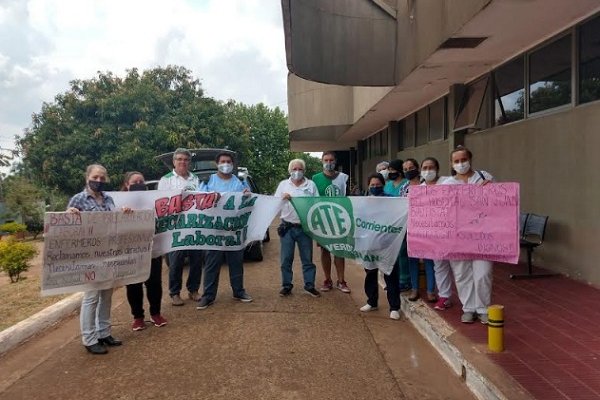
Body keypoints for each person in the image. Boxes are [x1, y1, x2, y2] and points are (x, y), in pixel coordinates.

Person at [66, 164, 122, 355]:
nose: (99, 181)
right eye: (95, 177)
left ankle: (104, 332)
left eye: (102, 178)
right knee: (91, 297)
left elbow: (116, 221)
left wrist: (126, 214)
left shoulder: (108, 199)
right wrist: (70, 216)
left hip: (108, 254)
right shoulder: (78, 199)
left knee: (107, 294)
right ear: (87, 177)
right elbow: (65, 229)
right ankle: (89, 339)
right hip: (88, 256)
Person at [442, 146, 494, 324]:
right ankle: (469, 308)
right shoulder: (448, 184)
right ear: (451, 163)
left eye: (463, 160)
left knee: (483, 273)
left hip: (483, 235)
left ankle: (483, 308)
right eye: (456, 161)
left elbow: (498, 202)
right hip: (458, 237)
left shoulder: (484, 177)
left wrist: (492, 189)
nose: (460, 164)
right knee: (462, 273)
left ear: (470, 159)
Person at [196, 151, 253, 309]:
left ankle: (239, 291)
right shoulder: (208, 181)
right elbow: (199, 202)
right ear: (217, 163)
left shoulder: (240, 182)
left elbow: (249, 202)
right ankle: (208, 296)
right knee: (211, 264)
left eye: (228, 161)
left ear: (232, 164)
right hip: (213, 230)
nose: (226, 164)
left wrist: (248, 195)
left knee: (236, 262)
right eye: (223, 161)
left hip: (234, 230)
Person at [121, 171, 167, 331]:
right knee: (133, 284)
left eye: (141, 181)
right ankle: (138, 317)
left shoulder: (153, 200)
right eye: (135, 182)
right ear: (127, 185)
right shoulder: (118, 202)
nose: (139, 183)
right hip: (129, 252)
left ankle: (156, 313)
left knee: (154, 283)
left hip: (152, 249)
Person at [157, 148, 203, 306]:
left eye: (186, 159)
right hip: (175, 227)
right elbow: (161, 203)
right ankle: (175, 293)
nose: (183, 162)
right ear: (174, 161)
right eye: (179, 159)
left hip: (193, 224)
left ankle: (193, 290)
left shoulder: (195, 178)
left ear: (189, 162)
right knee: (176, 261)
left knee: (197, 259)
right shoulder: (166, 180)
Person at [274, 159, 320, 297]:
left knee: (307, 259)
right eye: (294, 169)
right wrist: (283, 198)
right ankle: (286, 285)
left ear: (304, 170)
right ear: (290, 170)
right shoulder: (283, 185)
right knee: (286, 259)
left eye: (300, 169)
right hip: (287, 227)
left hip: (304, 228)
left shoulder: (310, 185)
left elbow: (317, 203)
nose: (297, 172)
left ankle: (309, 285)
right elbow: (275, 204)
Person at [359, 173, 401, 320]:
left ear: (383, 184)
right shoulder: (364, 202)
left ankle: (394, 307)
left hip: (388, 244)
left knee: (390, 274)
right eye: (372, 185)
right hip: (369, 243)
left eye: (378, 185)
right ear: (368, 186)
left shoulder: (392, 201)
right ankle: (372, 301)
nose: (375, 187)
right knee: (370, 273)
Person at [312, 151, 351, 293]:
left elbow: (348, 198)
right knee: (325, 250)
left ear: (335, 161)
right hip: (323, 220)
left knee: (339, 250)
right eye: (326, 160)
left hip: (339, 219)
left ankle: (341, 281)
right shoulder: (315, 179)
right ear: (322, 161)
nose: (329, 162)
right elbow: (312, 199)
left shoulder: (343, 178)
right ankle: (327, 280)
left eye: (331, 160)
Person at [420, 157, 454, 311]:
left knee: (459, 267)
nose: (428, 170)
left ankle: (471, 304)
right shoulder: (419, 190)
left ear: (438, 168)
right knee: (439, 266)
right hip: (433, 235)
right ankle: (444, 296)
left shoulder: (449, 182)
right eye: (425, 168)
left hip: (453, 232)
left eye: (431, 167)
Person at [403, 159, 437, 302]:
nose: (408, 171)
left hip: (430, 227)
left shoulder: (429, 184)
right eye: (405, 169)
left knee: (430, 259)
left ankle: (430, 291)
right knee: (413, 259)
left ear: (417, 168)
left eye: (411, 167)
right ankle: (414, 289)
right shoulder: (404, 188)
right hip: (411, 227)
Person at [384, 159, 410, 292]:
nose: (390, 172)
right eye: (389, 170)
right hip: (390, 224)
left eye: (392, 170)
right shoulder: (387, 185)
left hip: (403, 223)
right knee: (391, 252)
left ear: (399, 171)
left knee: (402, 252)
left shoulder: (407, 184)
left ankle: (404, 280)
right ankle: (392, 279)